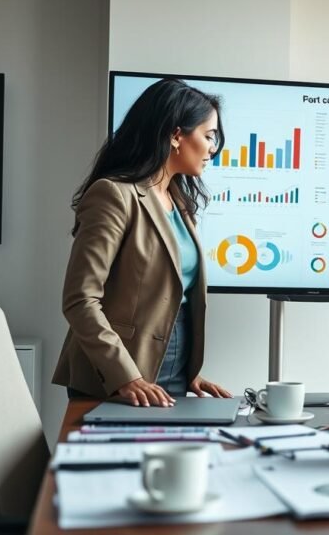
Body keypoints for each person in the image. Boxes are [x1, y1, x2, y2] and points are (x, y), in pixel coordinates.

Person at [52, 78, 233, 407]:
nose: (213, 149)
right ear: (177, 135)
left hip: (171, 370)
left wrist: (187, 371)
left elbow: (173, 297)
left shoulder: (177, 199)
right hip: (117, 374)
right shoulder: (113, 195)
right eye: (209, 136)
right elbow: (80, 300)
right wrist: (127, 376)